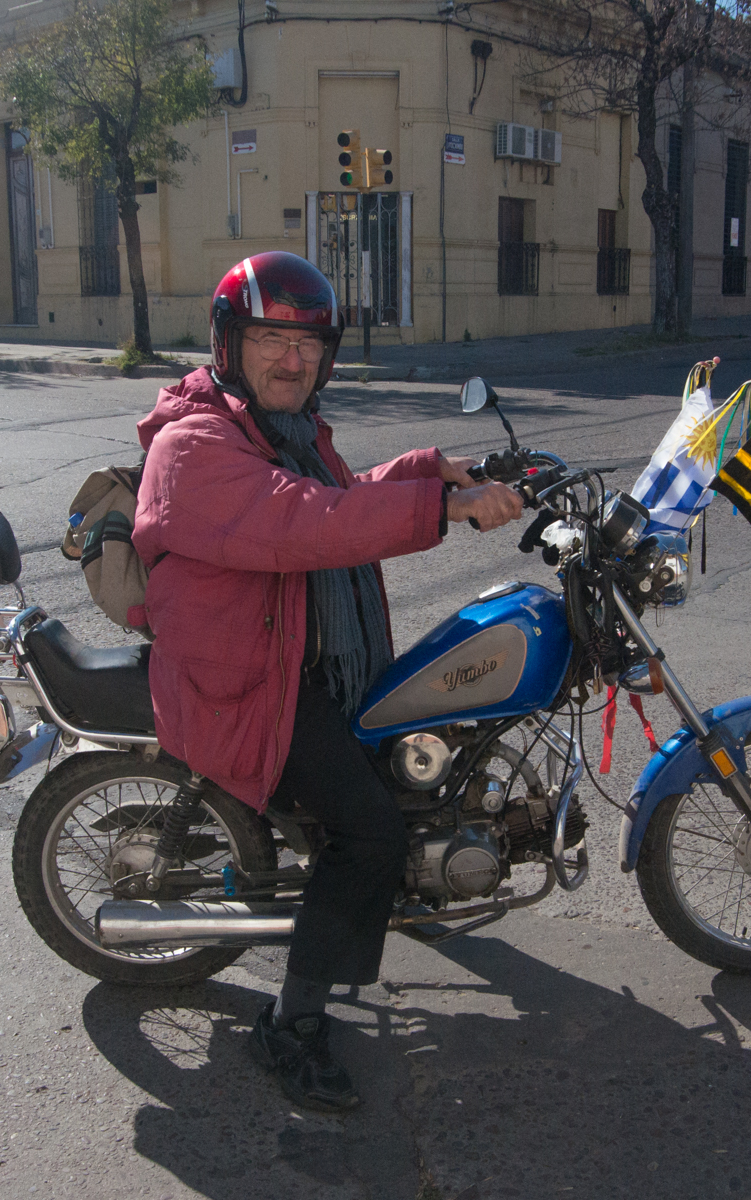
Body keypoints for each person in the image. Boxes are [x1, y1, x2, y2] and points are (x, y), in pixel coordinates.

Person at [131, 251, 522, 1111]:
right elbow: (303, 521)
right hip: (247, 687)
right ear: (227, 344)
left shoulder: (283, 433)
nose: (291, 360)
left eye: (307, 344)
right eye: (269, 338)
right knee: (369, 833)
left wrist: (432, 474)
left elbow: (337, 493)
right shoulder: (196, 446)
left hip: (289, 659)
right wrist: (442, 512)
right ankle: (293, 1026)